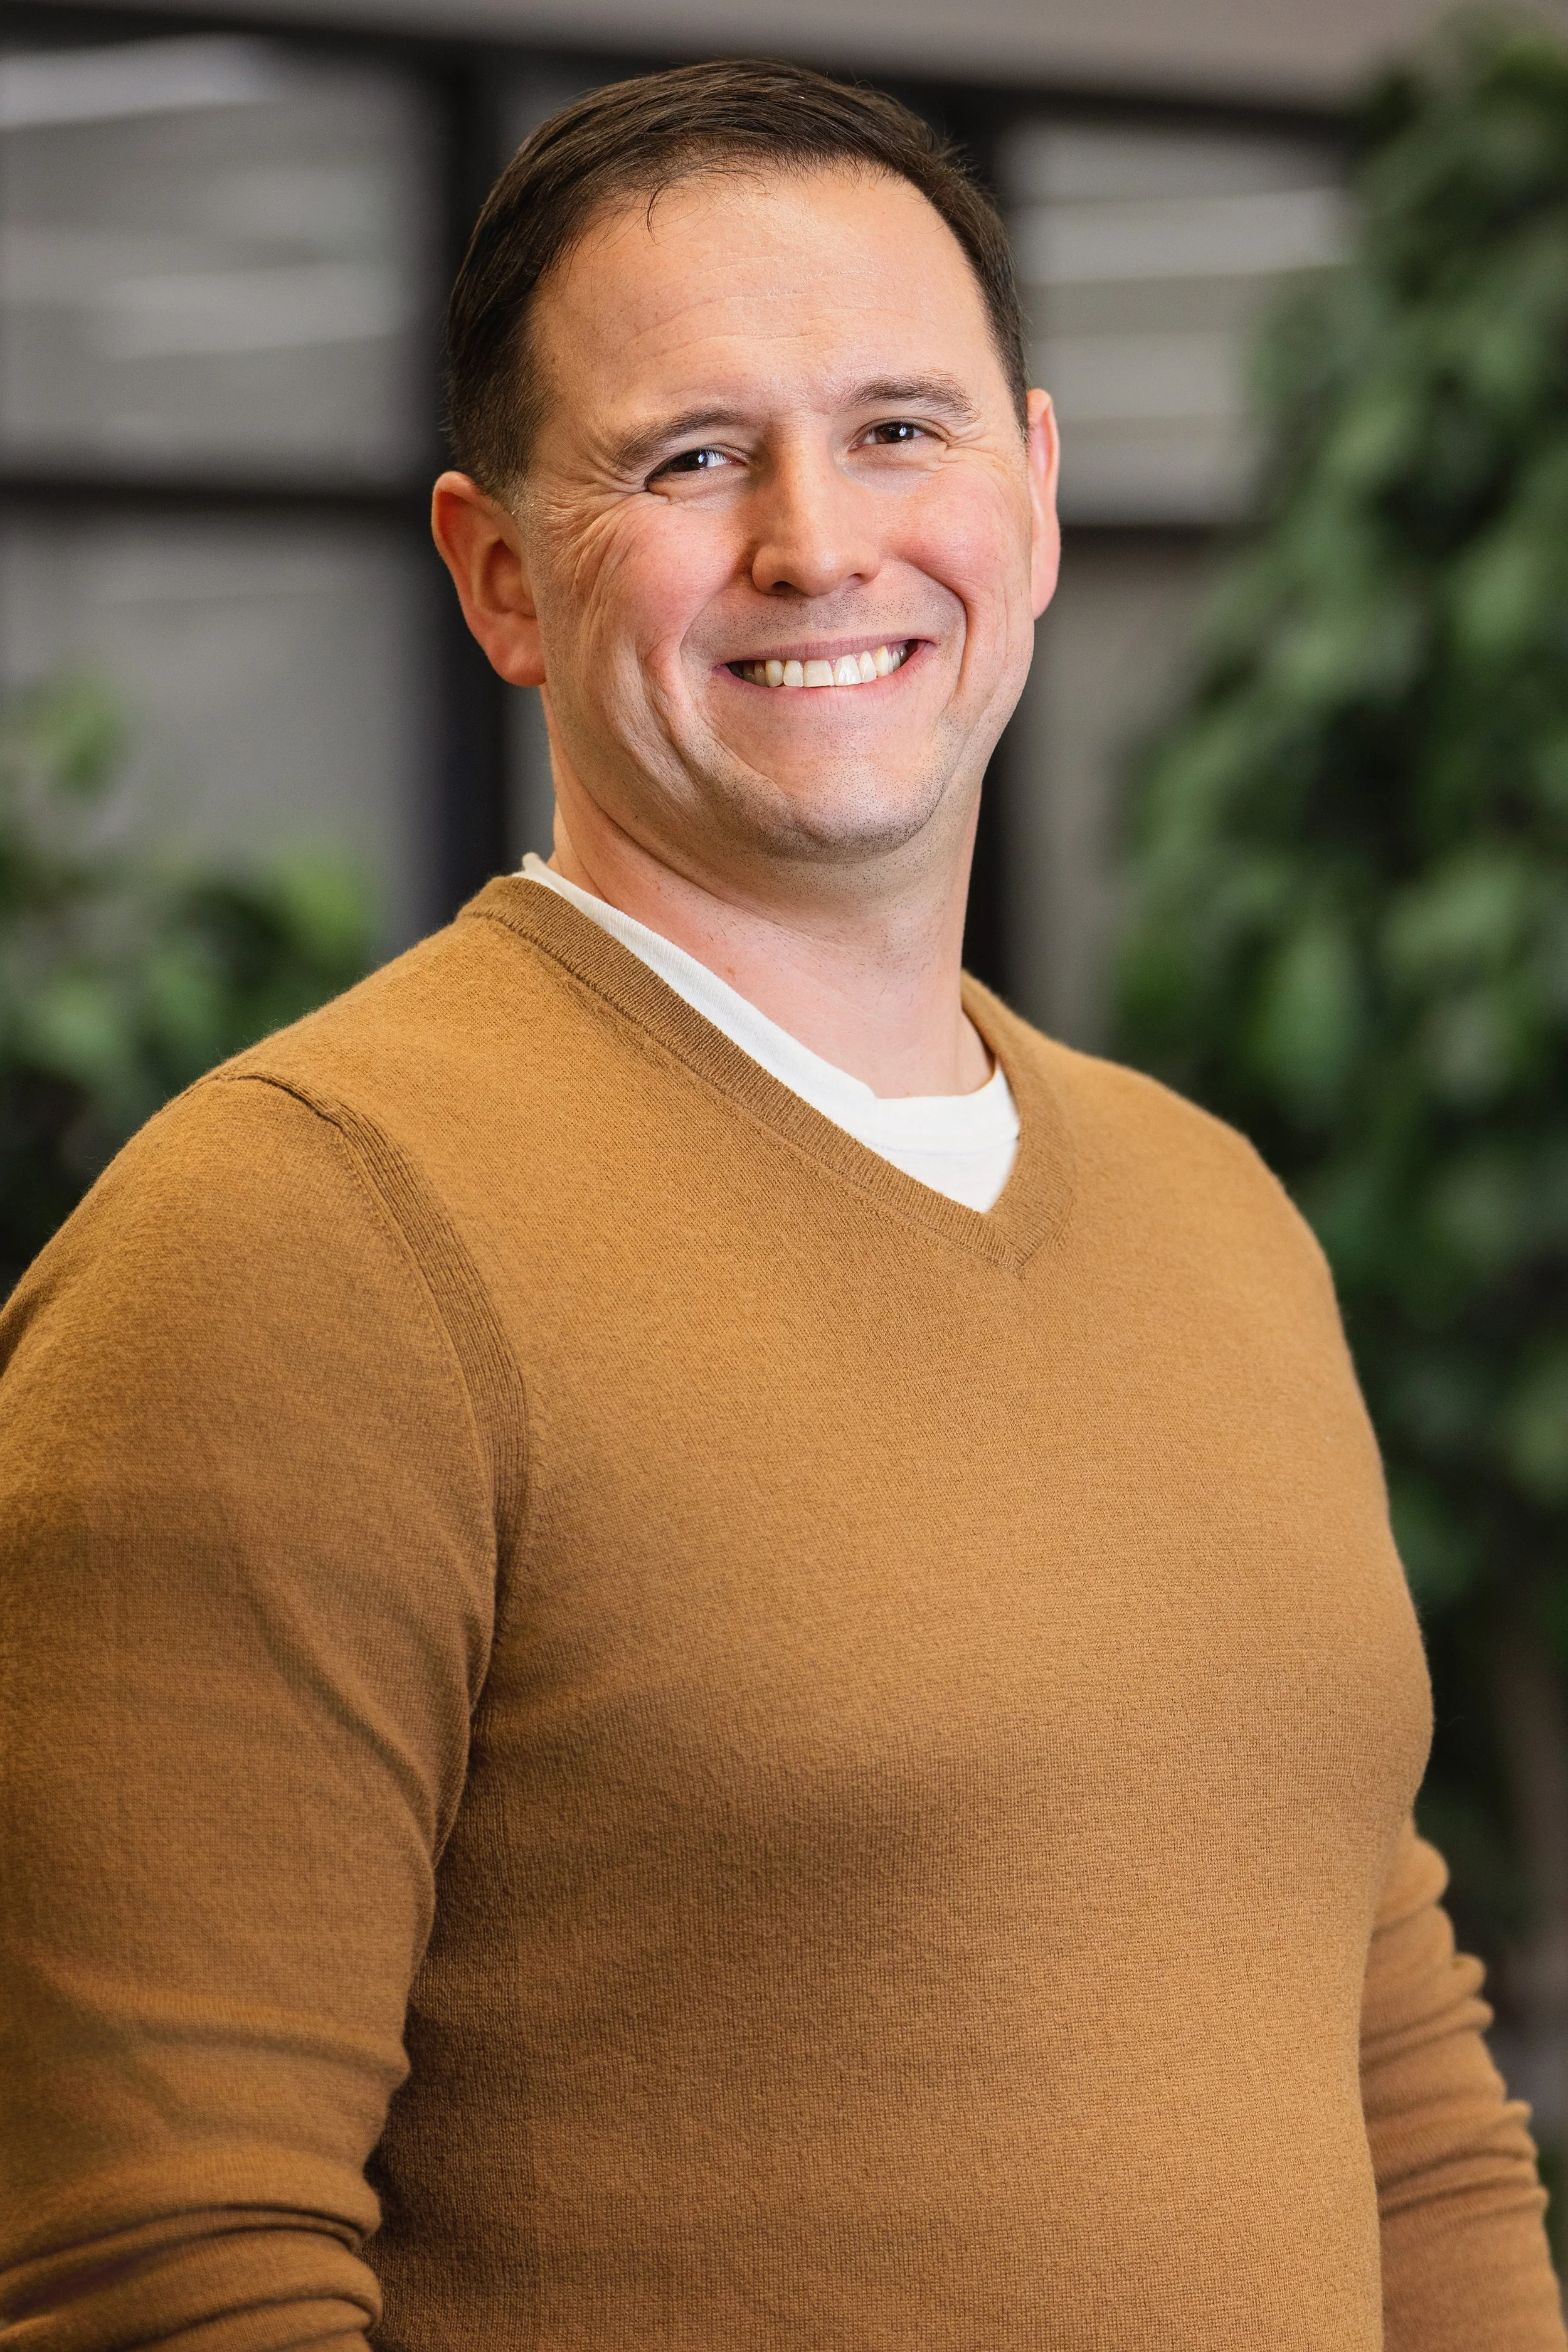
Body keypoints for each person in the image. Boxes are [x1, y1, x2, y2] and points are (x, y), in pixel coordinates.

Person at [0, 56, 1562, 2352]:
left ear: (1030, 497)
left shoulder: (1212, 1206)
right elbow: (157, 2271)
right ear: (499, 573)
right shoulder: (285, 1247)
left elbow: (1394, 2073)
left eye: (901, 429)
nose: (815, 543)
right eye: (690, 456)